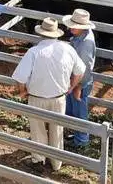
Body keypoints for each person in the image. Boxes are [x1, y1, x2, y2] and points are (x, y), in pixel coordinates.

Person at [11, 17, 85, 172]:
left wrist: (23, 92)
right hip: (59, 98)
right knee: (57, 129)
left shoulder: (34, 52)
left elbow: (20, 77)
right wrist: (71, 87)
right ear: (57, 33)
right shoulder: (68, 49)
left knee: (37, 129)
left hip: (37, 97)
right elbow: (80, 71)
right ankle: (56, 161)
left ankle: (38, 160)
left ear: (41, 34)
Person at [62, 9, 96, 149]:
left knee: (79, 112)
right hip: (75, 80)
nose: (70, 28)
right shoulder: (81, 37)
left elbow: (85, 68)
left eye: (73, 26)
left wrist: (78, 86)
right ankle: (78, 136)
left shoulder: (85, 44)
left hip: (80, 82)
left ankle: (82, 141)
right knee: (74, 109)